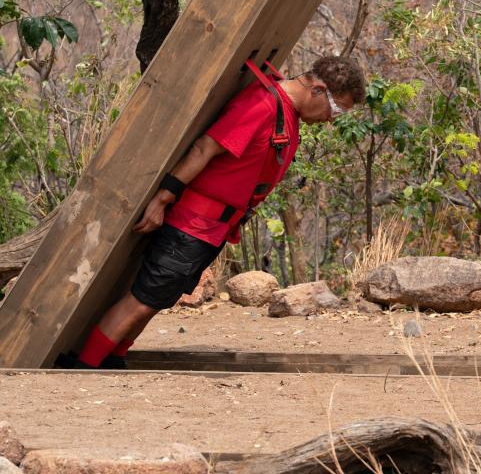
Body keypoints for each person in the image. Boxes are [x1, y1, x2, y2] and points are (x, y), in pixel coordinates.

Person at [58, 55, 366, 369]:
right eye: (336, 108)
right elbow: (206, 148)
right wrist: (163, 199)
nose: (332, 118)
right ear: (318, 89)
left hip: (213, 228)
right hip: (192, 223)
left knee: (158, 299)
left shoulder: (287, 114)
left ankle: (113, 360)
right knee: (143, 299)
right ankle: (84, 366)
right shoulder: (262, 105)